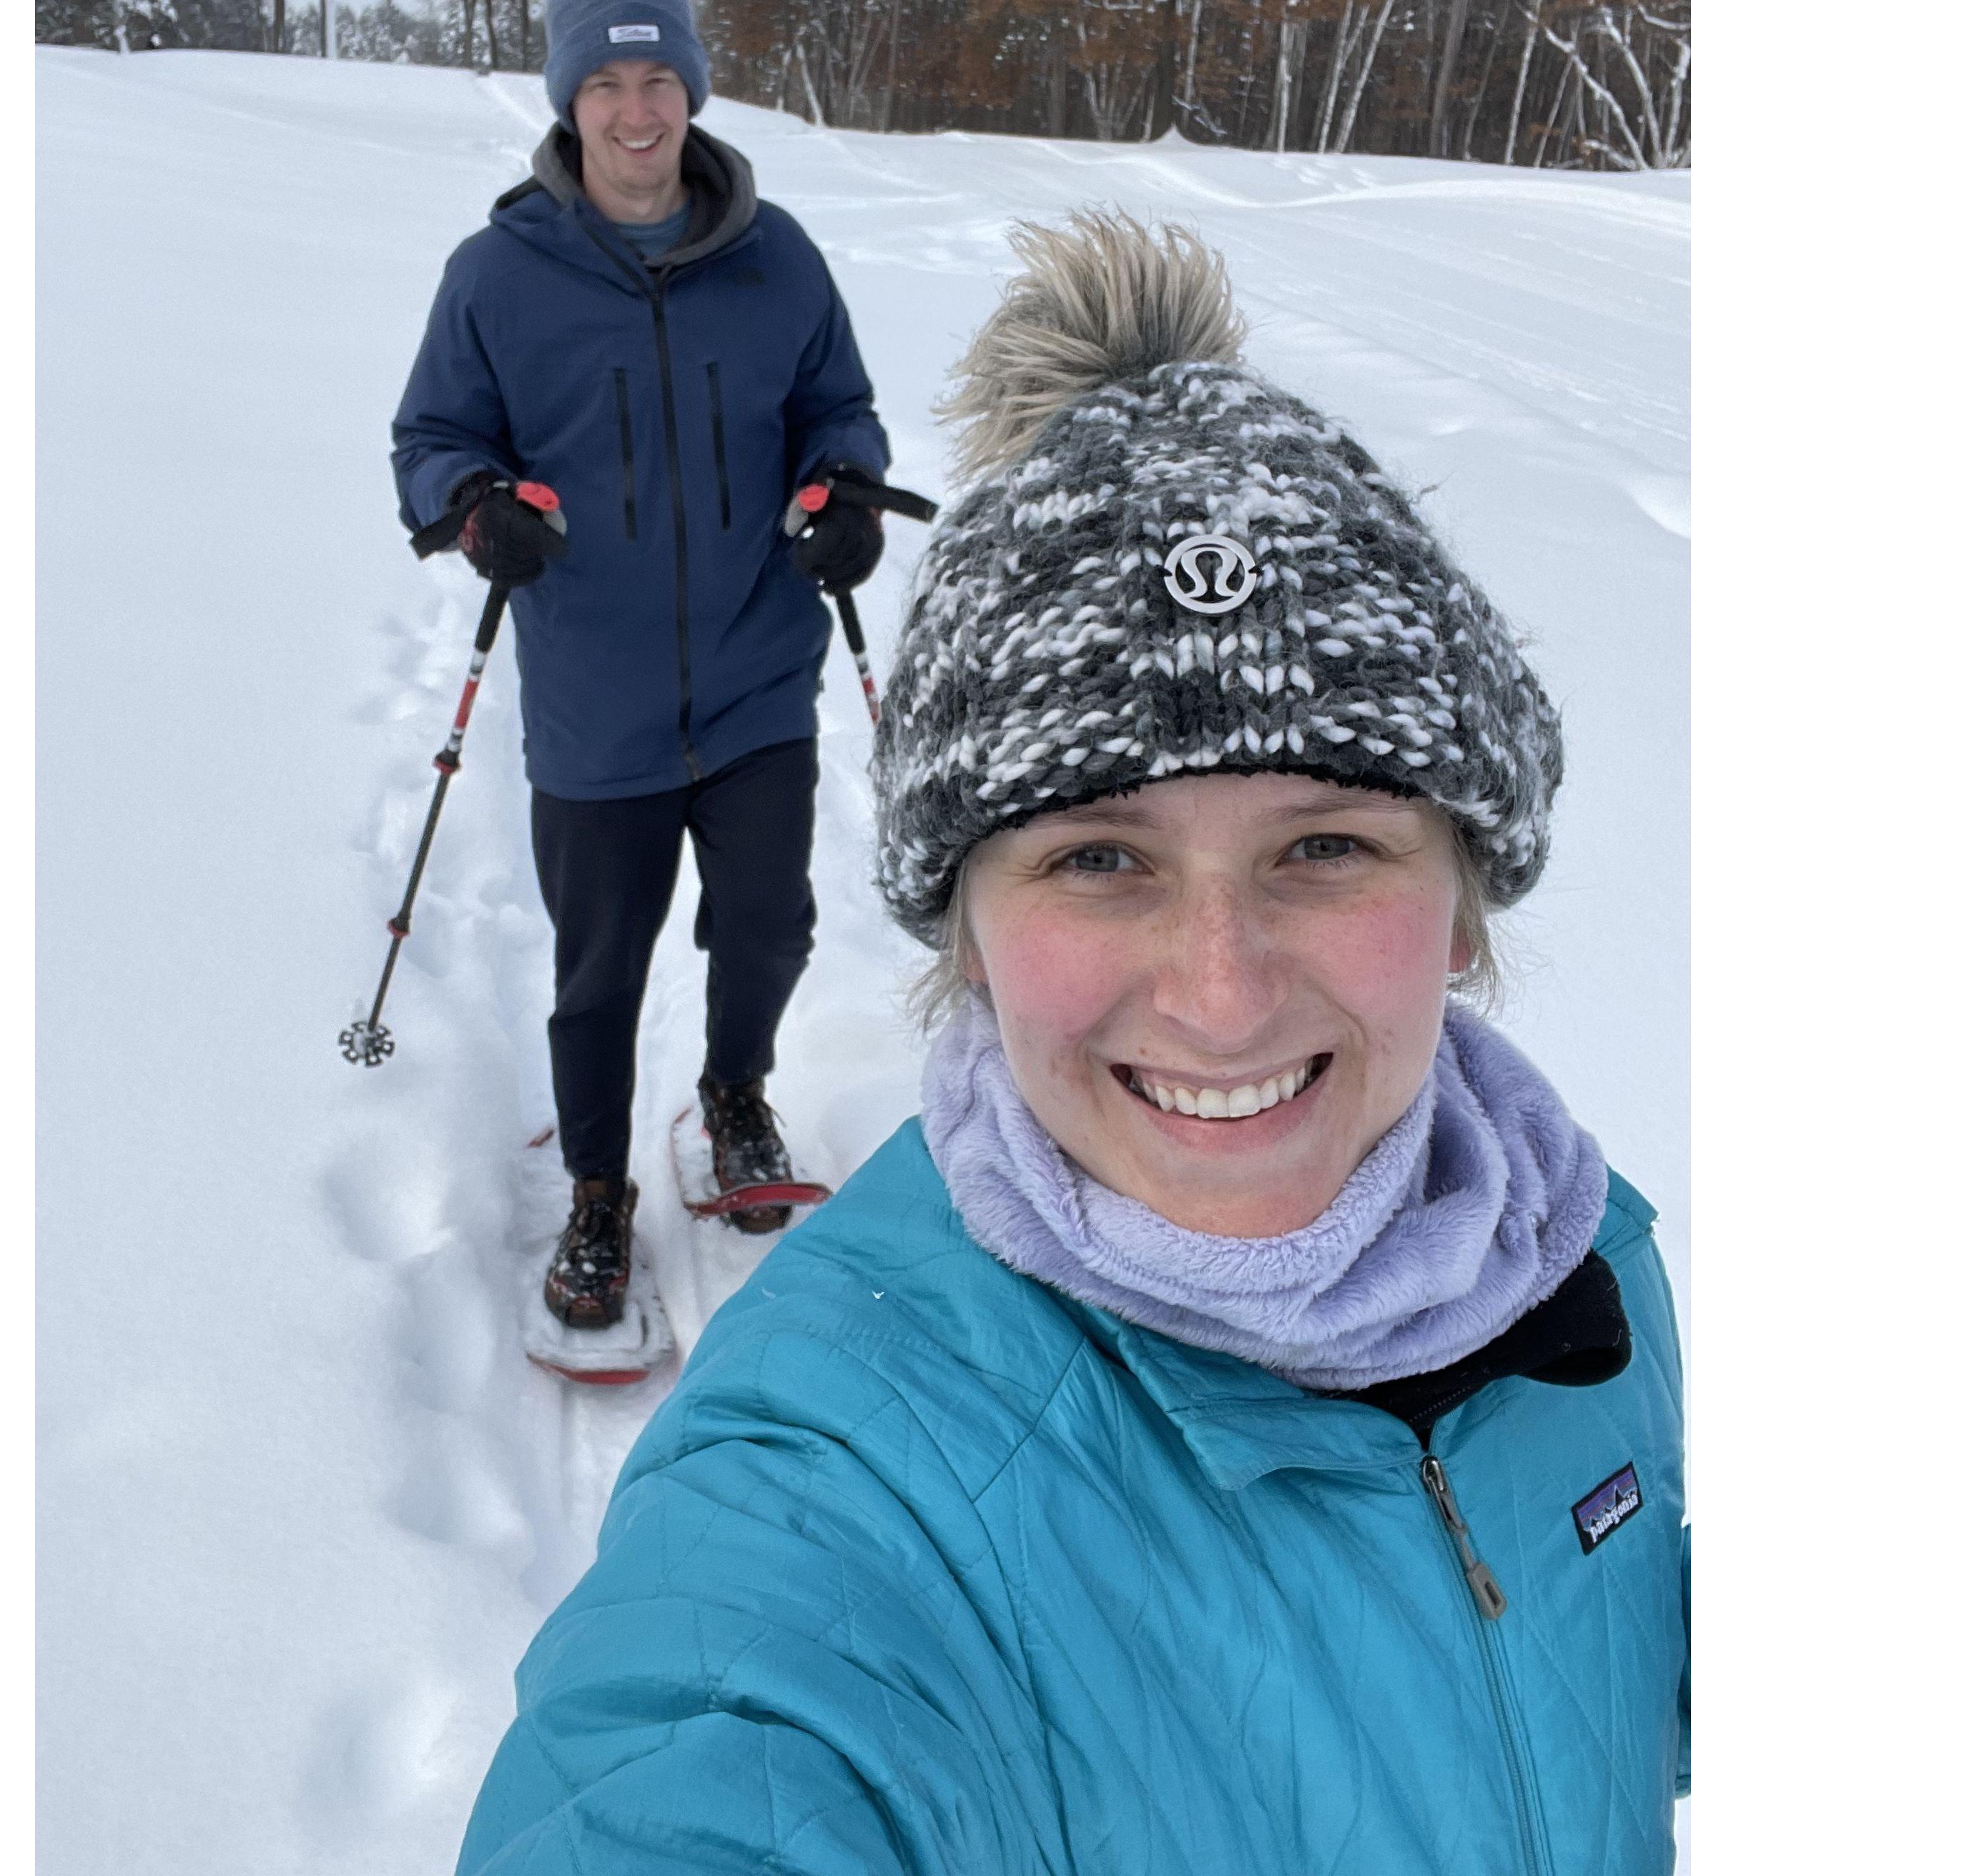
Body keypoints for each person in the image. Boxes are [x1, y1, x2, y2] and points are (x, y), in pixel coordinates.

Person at [453, 211, 1688, 1874]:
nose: (1220, 991)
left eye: (1324, 846)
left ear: (1464, 904)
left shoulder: (1568, 1272)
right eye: (1095, 858)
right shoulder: (848, 1472)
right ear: (965, 938)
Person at [390, 0, 893, 1332]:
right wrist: (477, 504)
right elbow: (428, 437)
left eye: (657, 79)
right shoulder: (498, 275)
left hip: (752, 671)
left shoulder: (775, 258)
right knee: (596, 969)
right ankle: (600, 1188)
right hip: (594, 696)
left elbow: (835, 407)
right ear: (567, 100)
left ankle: (736, 1093)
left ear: (689, 90)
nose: (635, 110)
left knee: (770, 924)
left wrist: (841, 489)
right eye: (606, 86)